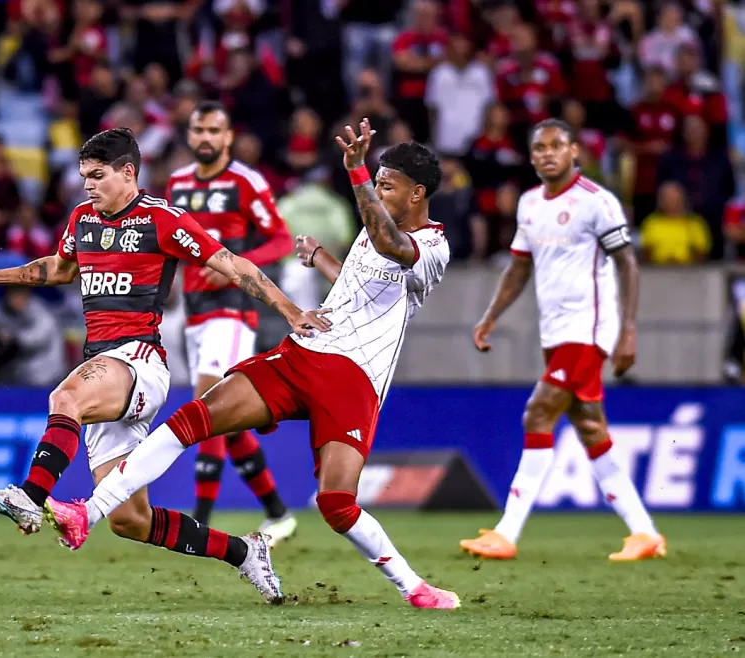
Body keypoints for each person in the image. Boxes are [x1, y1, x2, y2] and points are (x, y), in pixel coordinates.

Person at [45, 120, 462, 611]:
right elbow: (363, 277)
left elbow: (393, 248)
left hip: (354, 380)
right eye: (375, 181)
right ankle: (88, 514)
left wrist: (355, 173)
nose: (376, 189)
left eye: (385, 184)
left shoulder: (434, 247)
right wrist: (322, 258)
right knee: (195, 415)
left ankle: (414, 587)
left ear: (417, 194)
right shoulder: (373, 235)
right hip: (302, 354)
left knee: (336, 504)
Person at [0, 128, 330, 602]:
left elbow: (231, 263)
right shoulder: (82, 219)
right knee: (131, 521)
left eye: (97, 175)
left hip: (139, 359)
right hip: (105, 365)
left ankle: (30, 497)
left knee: (65, 397)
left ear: (128, 173)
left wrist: (290, 310)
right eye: (84, 176)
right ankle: (244, 552)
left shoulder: (162, 220)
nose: (87, 185)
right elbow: (55, 270)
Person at [460, 119, 666, 562]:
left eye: (557, 146)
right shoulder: (530, 204)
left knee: (537, 414)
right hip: (554, 332)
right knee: (590, 426)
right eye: (539, 148)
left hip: (588, 329)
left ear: (575, 151)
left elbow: (628, 264)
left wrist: (628, 330)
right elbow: (519, 267)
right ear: (532, 156)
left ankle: (506, 532)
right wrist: (491, 316)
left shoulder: (597, 202)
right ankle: (644, 532)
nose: (548, 154)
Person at [166, 101, 297, 542]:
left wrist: (233, 264)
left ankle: (198, 519)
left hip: (233, 312)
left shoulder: (246, 182)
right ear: (189, 135)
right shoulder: (178, 183)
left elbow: (280, 239)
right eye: (198, 129)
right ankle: (278, 513)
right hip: (194, 311)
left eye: (213, 131)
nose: (205, 137)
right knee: (228, 419)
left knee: (206, 403)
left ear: (228, 137)